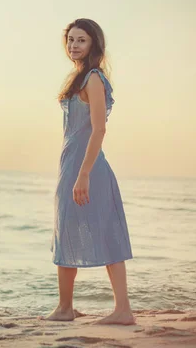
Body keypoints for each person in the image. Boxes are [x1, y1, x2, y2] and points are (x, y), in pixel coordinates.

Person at [38, 18, 135, 325]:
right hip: (72, 166)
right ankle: (66, 308)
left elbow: (99, 129)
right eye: (71, 40)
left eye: (81, 40)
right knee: (66, 232)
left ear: (94, 44)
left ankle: (121, 310)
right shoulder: (77, 78)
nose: (74, 45)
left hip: (88, 169)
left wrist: (84, 175)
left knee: (108, 233)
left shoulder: (93, 78)